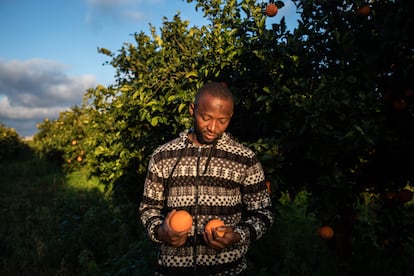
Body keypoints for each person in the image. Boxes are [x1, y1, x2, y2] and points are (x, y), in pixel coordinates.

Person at [139, 82, 273, 275]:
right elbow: (148, 208)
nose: (213, 127)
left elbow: (263, 213)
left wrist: (237, 235)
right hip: (173, 270)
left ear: (231, 117)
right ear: (192, 110)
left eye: (222, 121)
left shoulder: (244, 159)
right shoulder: (163, 156)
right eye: (206, 118)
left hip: (228, 270)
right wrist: (161, 232)